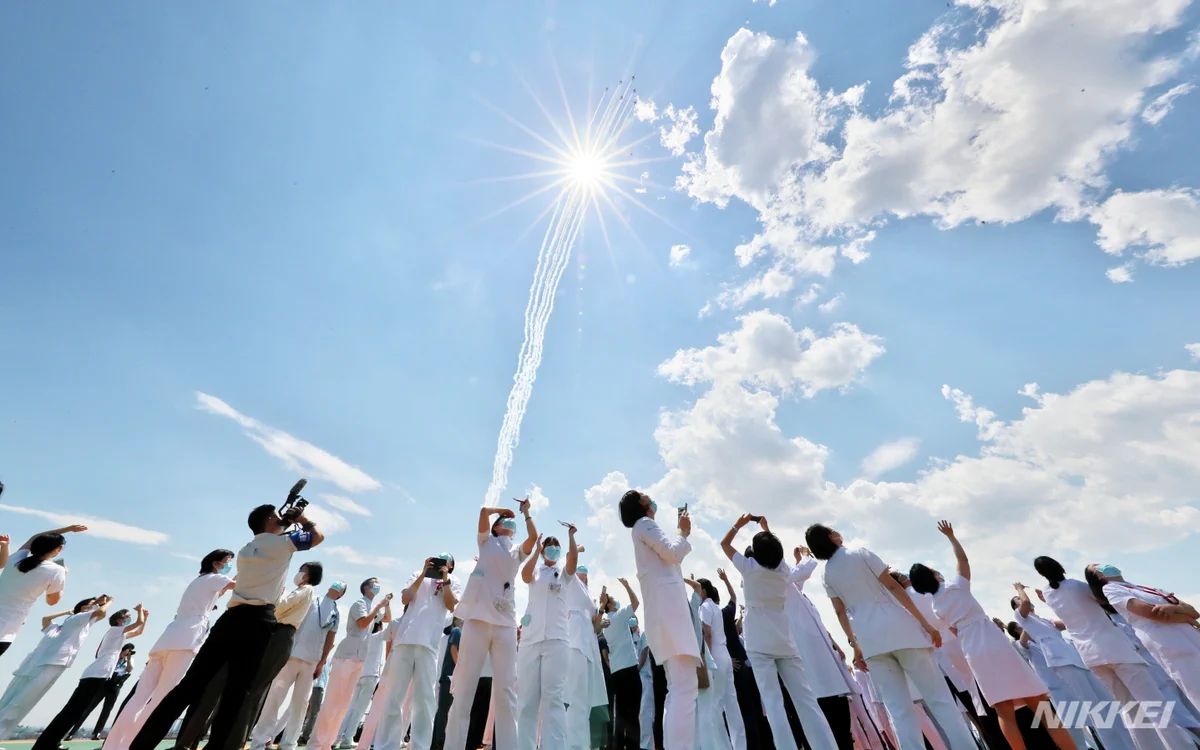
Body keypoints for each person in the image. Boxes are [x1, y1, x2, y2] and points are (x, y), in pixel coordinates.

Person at [129, 502, 325, 750]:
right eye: (276, 517)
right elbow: (317, 537)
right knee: (237, 694)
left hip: (229, 620)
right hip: (258, 622)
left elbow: (276, 538)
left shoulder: (247, 548)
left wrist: (285, 521)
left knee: (189, 686)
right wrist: (303, 518)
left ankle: (140, 745)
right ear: (268, 520)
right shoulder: (281, 544)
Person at [806, 523, 975, 750]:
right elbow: (894, 587)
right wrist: (924, 623)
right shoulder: (860, 552)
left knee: (898, 709)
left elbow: (839, 611)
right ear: (832, 537)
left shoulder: (827, 575)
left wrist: (855, 645)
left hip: (870, 640)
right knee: (939, 699)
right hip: (901, 630)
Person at [907, 521, 1072, 750]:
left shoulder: (937, 606)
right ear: (933, 576)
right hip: (993, 640)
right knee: (1040, 704)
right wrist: (951, 537)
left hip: (972, 650)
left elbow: (954, 630)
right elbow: (963, 561)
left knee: (1004, 711)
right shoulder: (956, 586)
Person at [1034, 555, 1196, 750]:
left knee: (1130, 710)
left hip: (1091, 656)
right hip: (1116, 650)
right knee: (1156, 705)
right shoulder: (1078, 586)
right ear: (1060, 567)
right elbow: (1104, 601)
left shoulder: (1049, 593)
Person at [721, 514, 838, 750]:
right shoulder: (783, 570)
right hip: (784, 641)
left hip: (759, 644)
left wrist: (740, 524)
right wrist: (766, 529)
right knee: (806, 701)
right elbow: (775, 553)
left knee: (774, 703)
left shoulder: (749, 569)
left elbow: (725, 544)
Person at [103, 549, 236, 750]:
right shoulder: (215, 579)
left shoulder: (199, 581)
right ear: (216, 563)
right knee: (162, 697)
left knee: (140, 696)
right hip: (185, 640)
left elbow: (219, 593)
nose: (229, 565)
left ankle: (113, 746)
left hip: (167, 638)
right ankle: (134, 745)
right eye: (227, 562)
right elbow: (243, 586)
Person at [443, 501, 537, 750]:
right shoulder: (486, 542)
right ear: (495, 528)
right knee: (464, 689)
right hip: (477, 621)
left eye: (510, 522)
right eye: (503, 522)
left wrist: (526, 513)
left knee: (506, 692)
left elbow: (534, 538)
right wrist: (502, 511)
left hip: (505, 624)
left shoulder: (517, 551)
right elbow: (483, 512)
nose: (508, 523)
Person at [1011, 582, 1137, 750]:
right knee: (1089, 713)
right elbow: (1025, 608)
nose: (1023, 601)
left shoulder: (1043, 621)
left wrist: (1049, 603)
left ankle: (1131, 744)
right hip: (1062, 669)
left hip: (1077, 661)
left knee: (1106, 703)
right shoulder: (1021, 627)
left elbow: (1066, 622)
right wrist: (1020, 589)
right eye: (1017, 600)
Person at [619, 490, 698, 750]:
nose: (650, 497)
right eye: (644, 495)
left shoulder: (641, 528)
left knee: (678, 687)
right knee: (684, 686)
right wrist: (683, 532)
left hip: (663, 614)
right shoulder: (645, 524)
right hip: (669, 613)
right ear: (641, 505)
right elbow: (672, 553)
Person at [34, 604, 150, 750]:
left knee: (74, 711)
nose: (129, 619)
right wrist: (140, 611)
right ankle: (47, 743)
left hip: (96, 675)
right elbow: (137, 624)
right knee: (73, 711)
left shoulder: (118, 634)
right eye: (127, 617)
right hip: (96, 675)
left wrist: (144, 618)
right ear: (119, 620)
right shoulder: (115, 631)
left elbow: (138, 631)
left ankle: (51, 742)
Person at [377, 553, 461, 750]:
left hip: (429, 644)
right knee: (394, 696)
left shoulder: (453, 580)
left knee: (424, 699)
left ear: (450, 566)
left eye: (445, 561)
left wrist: (446, 579)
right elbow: (406, 598)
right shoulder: (417, 574)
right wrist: (423, 574)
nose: (440, 563)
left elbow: (450, 605)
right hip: (405, 640)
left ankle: (420, 746)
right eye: (437, 560)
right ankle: (386, 745)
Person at [249, 578, 345, 750]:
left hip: (312, 663)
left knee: (300, 705)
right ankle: (260, 740)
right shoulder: (312, 600)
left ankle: (288, 744)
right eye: (335, 583)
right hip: (292, 656)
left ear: (342, 594)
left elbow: (330, 639)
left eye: (341, 587)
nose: (336, 586)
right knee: (275, 698)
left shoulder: (336, 613)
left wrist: (322, 662)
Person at [1089, 564, 1200, 709]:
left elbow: (1193, 611)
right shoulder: (1111, 589)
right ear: (1098, 576)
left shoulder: (1144, 587)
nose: (1104, 566)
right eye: (1097, 566)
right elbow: (1152, 613)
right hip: (1165, 639)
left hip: (1189, 633)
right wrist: (1185, 617)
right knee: (1194, 681)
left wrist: (1174, 608)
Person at [0, 595, 112, 738]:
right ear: (79, 609)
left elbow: (98, 614)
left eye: (94, 605)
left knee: (23, 701)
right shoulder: (75, 619)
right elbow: (100, 613)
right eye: (89, 605)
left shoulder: (79, 625)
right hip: (44, 664)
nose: (93, 607)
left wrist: (98, 603)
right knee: (19, 700)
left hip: (50, 664)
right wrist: (109, 602)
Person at [310, 574, 391, 750]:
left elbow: (386, 619)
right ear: (366, 588)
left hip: (359, 659)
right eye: (374, 584)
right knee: (332, 701)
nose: (378, 587)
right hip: (345, 656)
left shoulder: (372, 607)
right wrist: (379, 606)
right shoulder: (359, 604)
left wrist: (387, 604)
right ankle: (315, 743)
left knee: (343, 705)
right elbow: (363, 623)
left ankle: (327, 742)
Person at [786, 548, 857, 750]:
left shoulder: (785, 586)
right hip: (815, 675)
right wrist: (806, 557)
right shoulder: (773, 579)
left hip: (822, 675)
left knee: (838, 728)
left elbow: (796, 581)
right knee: (833, 727)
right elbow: (804, 570)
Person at [516, 526, 577, 750]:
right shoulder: (536, 570)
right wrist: (536, 551)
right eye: (548, 548)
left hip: (557, 641)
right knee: (527, 701)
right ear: (543, 551)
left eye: (556, 548)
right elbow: (524, 576)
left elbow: (573, 560)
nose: (552, 551)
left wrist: (571, 537)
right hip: (530, 640)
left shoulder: (564, 574)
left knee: (553, 699)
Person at [0, 524, 87, 657]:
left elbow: (35, 537)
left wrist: (68, 529)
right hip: (4, 631)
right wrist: (64, 575)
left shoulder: (15, 559)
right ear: (59, 549)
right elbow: (52, 601)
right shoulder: (56, 571)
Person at [697, 572, 746, 750]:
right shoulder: (716, 608)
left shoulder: (704, 608)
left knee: (714, 705)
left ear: (702, 591)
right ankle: (740, 746)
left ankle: (722, 747)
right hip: (724, 655)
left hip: (715, 656)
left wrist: (705, 659)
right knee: (731, 702)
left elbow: (707, 634)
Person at [564, 557, 608, 750]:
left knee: (586, 701)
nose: (583, 580)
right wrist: (576, 547)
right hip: (574, 645)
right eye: (580, 576)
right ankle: (571, 744)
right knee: (574, 698)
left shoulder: (588, 597)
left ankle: (582, 744)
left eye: (585, 578)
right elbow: (569, 565)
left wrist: (602, 607)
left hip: (589, 649)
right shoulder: (569, 585)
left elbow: (596, 627)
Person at [601, 578, 641, 750]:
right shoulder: (619, 616)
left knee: (621, 715)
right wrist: (627, 585)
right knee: (633, 716)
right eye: (614, 601)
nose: (616, 603)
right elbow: (636, 602)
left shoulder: (604, 625)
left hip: (616, 671)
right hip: (630, 670)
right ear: (610, 606)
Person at [68, 643, 137, 740]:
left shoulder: (130, 660)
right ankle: (72, 732)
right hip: (105, 683)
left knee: (106, 711)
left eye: (130, 651)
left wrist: (128, 659)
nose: (128, 653)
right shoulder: (115, 656)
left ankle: (97, 733)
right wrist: (120, 656)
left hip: (116, 685)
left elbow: (130, 669)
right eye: (127, 650)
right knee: (89, 707)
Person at [431, 618, 462, 750]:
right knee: (443, 710)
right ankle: (439, 741)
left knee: (443, 710)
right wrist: (462, 667)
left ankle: (436, 742)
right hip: (450, 676)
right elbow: (453, 650)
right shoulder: (457, 631)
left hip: (449, 676)